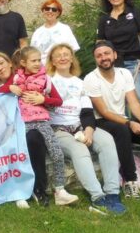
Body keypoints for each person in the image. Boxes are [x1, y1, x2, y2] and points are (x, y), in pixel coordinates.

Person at [84, 41, 140, 198]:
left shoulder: (124, 74)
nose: (103, 58)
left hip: (122, 120)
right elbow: (103, 111)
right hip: (101, 123)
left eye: (106, 53)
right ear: (95, 60)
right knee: (122, 130)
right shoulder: (91, 79)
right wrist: (129, 123)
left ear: (115, 55)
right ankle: (130, 181)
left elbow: (134, 103)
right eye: (99, 56)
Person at [46, 44, 126, 215]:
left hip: (81, 126)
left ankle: (112, 192)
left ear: (72, 58)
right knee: (80, 149)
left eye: (66, 54)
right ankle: (97, 197)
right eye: (58, 55)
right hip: (57, 128)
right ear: (52, 61)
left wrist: (89, 130)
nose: (63, 58)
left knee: (106, 141)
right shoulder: (46, 80)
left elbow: (87, 112)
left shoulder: (79, 82)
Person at [0, 46, 79, 207]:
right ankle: (24, 190)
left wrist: (43, 100)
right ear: (23, 63)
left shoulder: (45, 79)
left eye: (39, 60)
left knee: (57, 153)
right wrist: (10, 87)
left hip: (43, 122)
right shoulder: (15, 78)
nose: (37, 63)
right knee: (21, 156)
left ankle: (60, 190)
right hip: (22, 124)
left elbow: (58, 101)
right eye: (33, 60)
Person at [0, 52, 55, 208]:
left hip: (32, 124)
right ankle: (16, 190)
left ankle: (39, 188)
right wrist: (8, 87)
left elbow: (52, 97)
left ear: (10, 63)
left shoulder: (25, 77)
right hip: (7, 128)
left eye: (1, 63)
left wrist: (42, 99)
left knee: (33, 139)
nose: (0, 68)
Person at [96, 0, 140, 107]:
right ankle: (125, 127)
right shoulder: (104, 19)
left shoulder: (136, 13)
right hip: (113, 65)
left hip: (134, 63)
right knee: (119, 101)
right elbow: (100, 45)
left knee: (139, 99)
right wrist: (100, 67)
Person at [30, 0, 79, 66]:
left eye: (54, 9)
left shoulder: (65, 29)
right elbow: (32, 54)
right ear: (43, 11)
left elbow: (72, 50)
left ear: (58, 13)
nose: (50, 11)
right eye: (47, 8)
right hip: (42, 71)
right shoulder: (37, 32)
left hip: (60, 68)